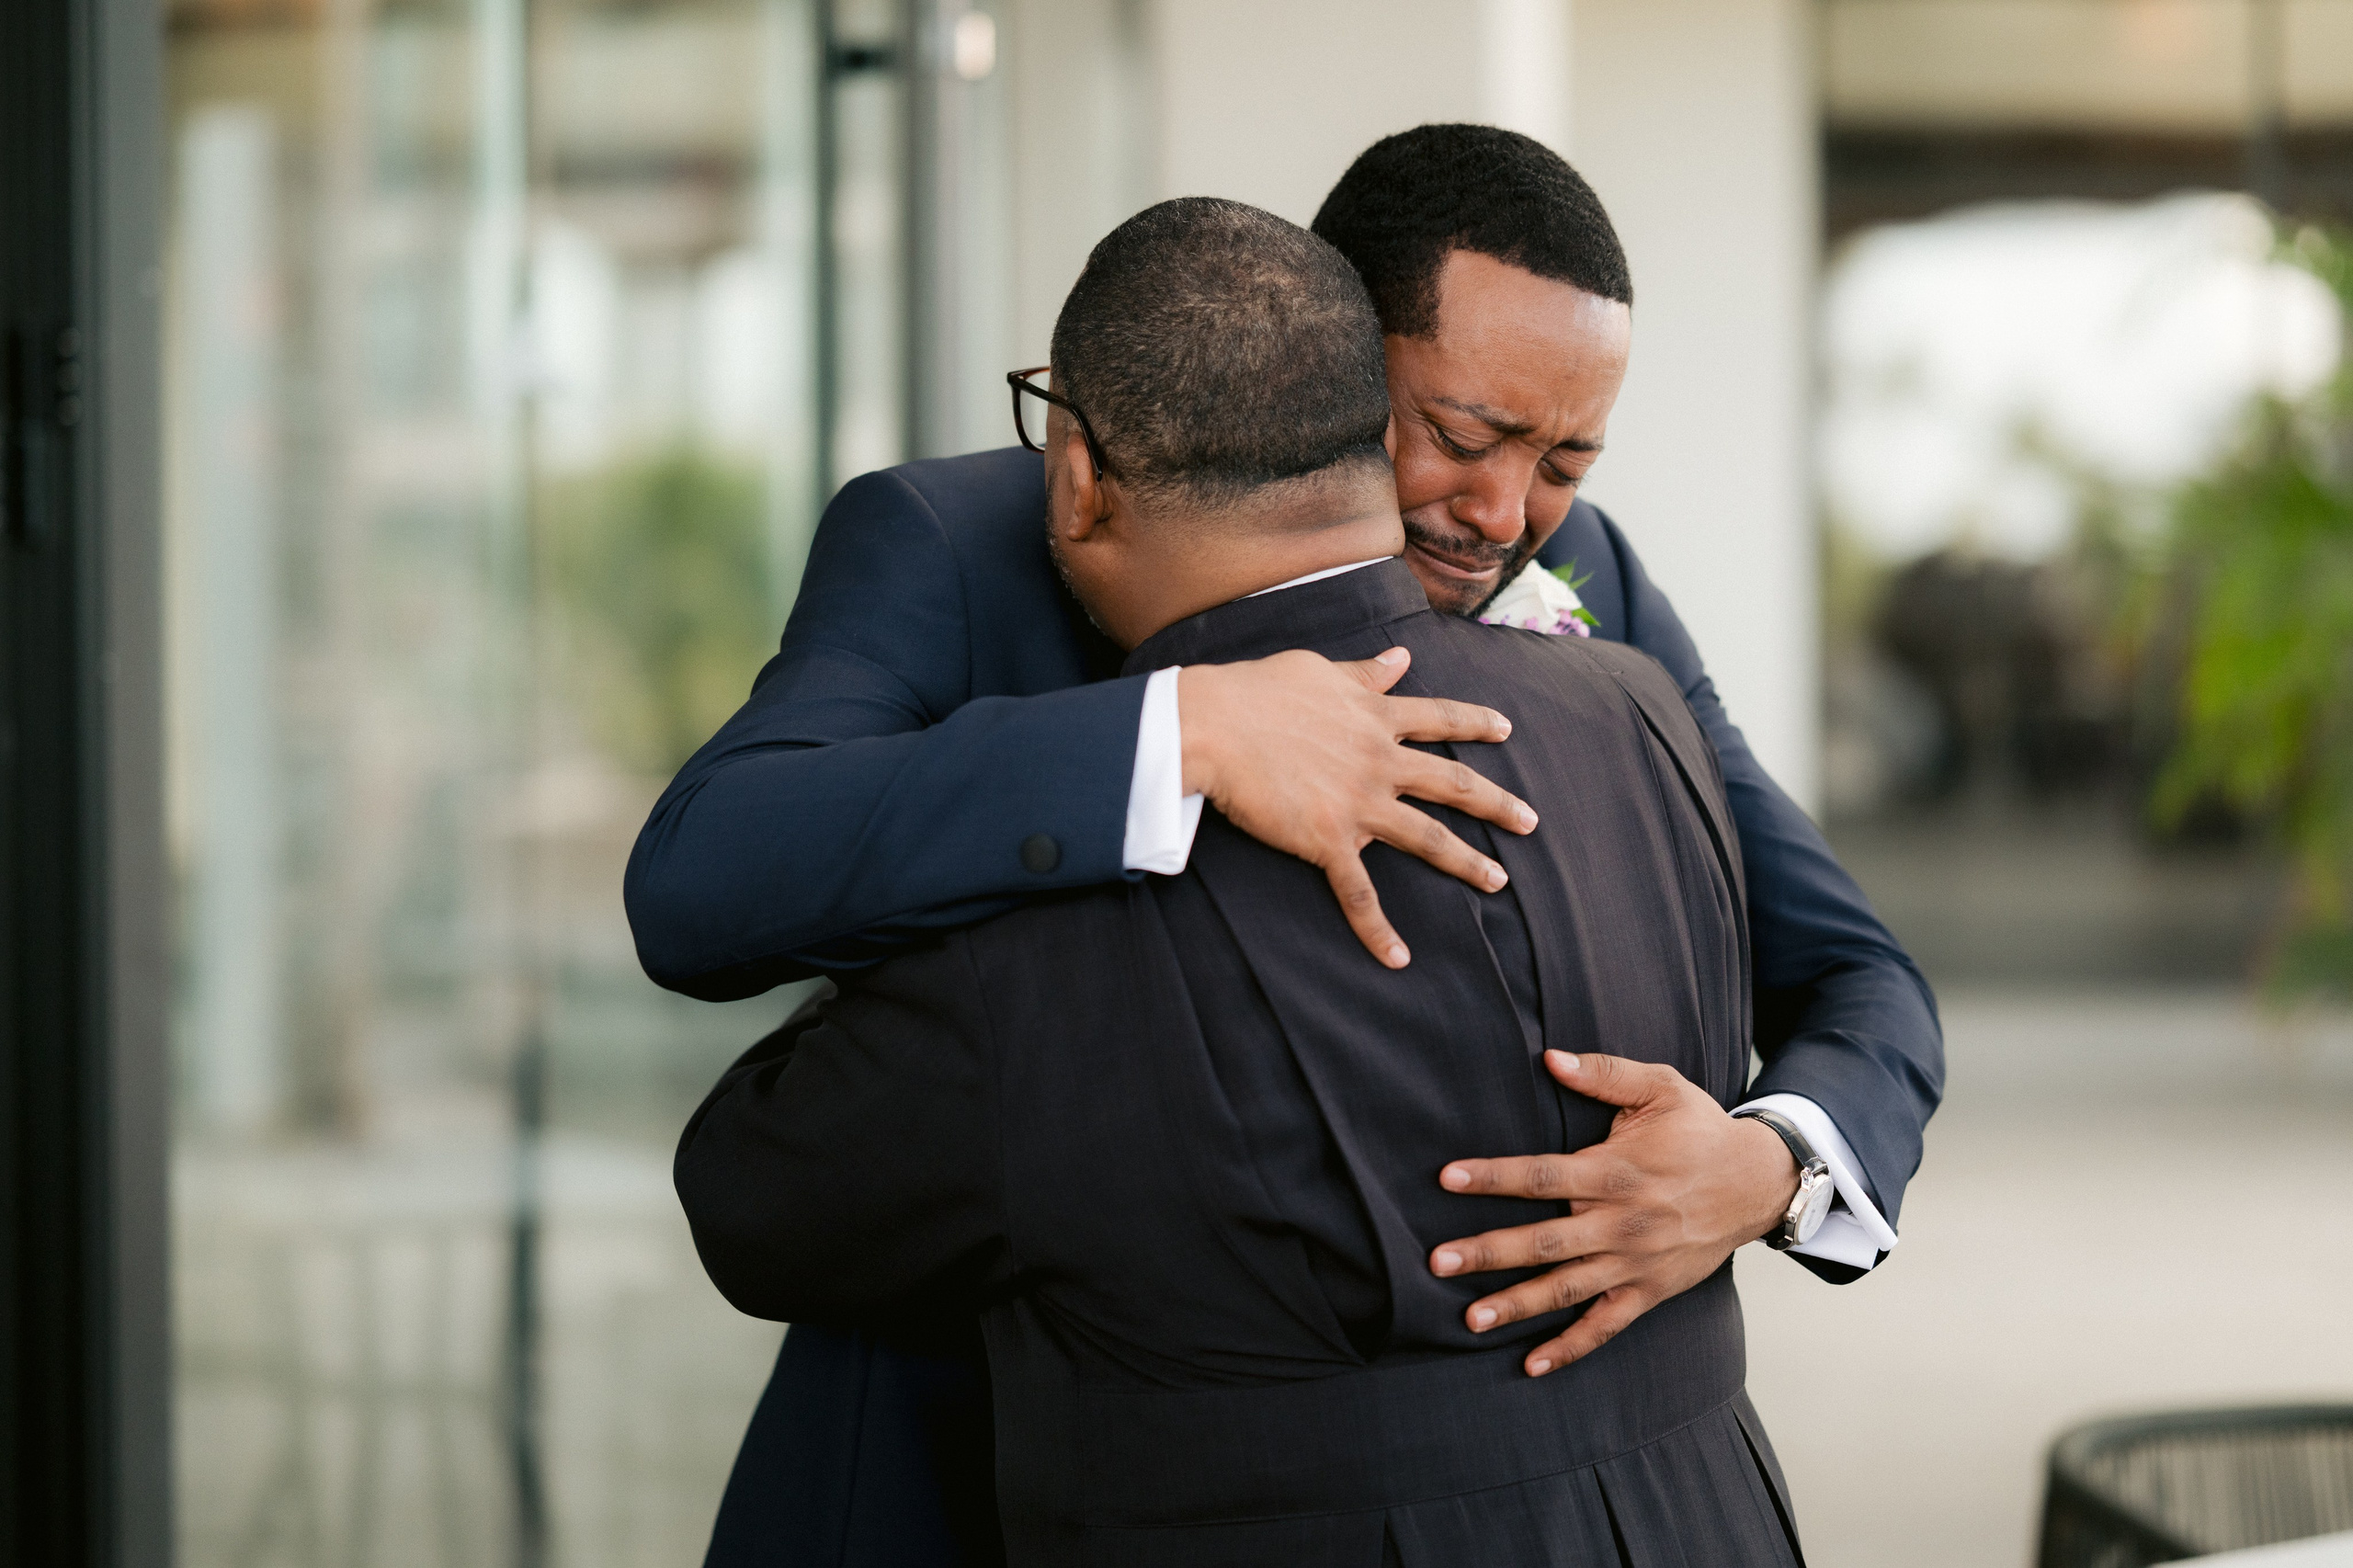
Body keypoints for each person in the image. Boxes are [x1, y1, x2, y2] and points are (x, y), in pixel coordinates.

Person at [628, 125, 1940, 1566]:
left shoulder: (1588, 580)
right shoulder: (967, 540)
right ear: (1327, 350)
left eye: (1565, 457)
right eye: (1463, 433)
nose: (1506, 515)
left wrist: (1764, 1168)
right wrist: (1179, 731)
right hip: (968, 1443)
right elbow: (708, 878)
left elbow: (1853, 968)